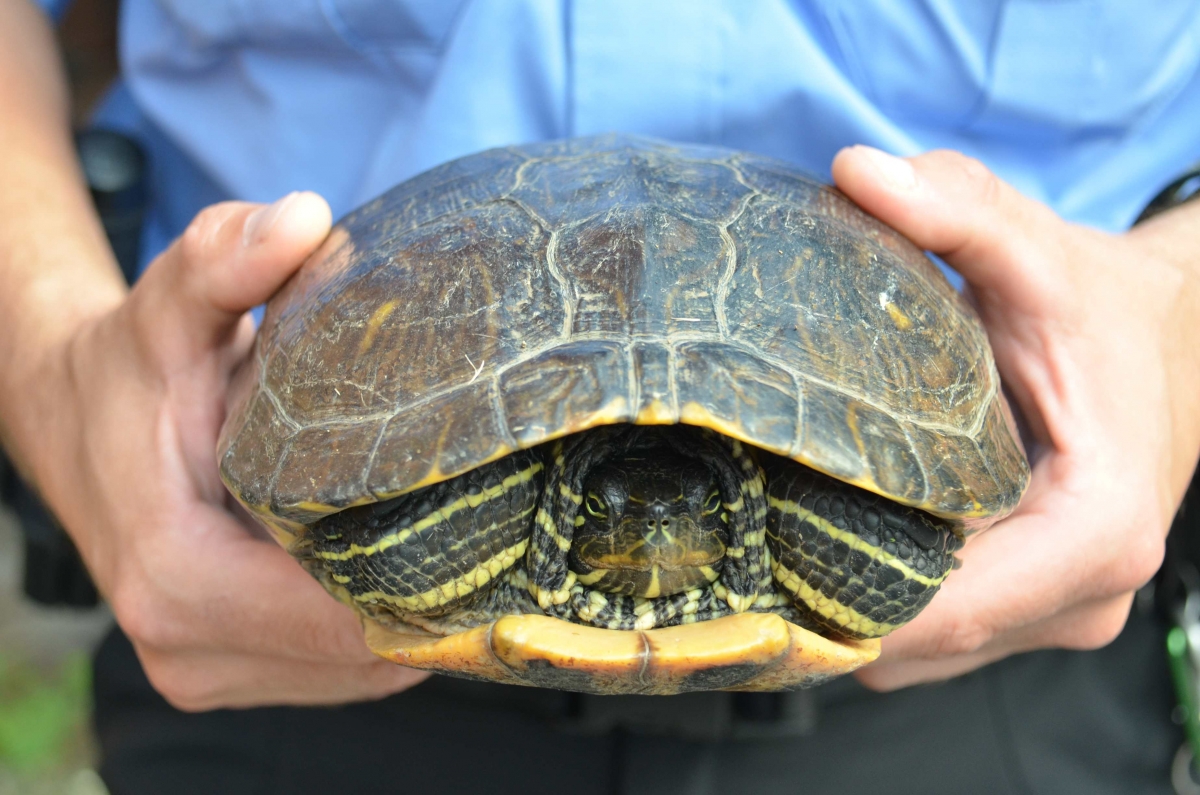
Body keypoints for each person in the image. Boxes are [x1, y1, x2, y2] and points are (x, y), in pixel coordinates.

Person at [1, 1, 1197, 792]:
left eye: (680, 513)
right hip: (263, 649)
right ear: (568, 515)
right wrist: (49, 354)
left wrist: (1177, 308)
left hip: (1009, 648)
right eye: (628, 512)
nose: (657, 535)